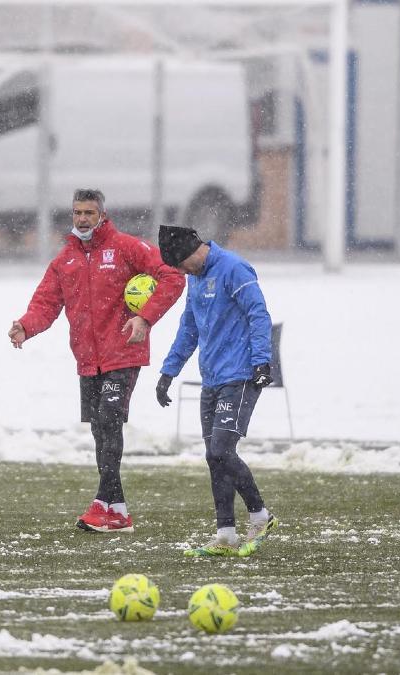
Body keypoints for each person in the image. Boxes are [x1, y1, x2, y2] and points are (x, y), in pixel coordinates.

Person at [9, 189, 184, 533]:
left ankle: (101, 503)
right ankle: (117, 510)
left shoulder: (126, 247)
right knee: (99, 431)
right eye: (78, 213)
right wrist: (25, 327)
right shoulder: (65, 260)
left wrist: (145, 318)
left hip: (123, 352)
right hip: (88, 360)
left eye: (90, 212)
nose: (83, 219)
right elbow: (46, 303)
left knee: (109, 420)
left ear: (103, 215)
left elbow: (173, 277)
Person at [155, 226, 278, 558]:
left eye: (181, 265)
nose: (181, 273)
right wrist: (169, 370)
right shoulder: (195, 279)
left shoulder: (233, 268)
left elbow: (258, 315)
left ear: (194, 250)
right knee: (214, 458)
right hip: (212, 379)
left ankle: (260, 515)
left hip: (240, 376)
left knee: (221, 451)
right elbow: (189, 328)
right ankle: (225, 533)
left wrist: (262, 361)